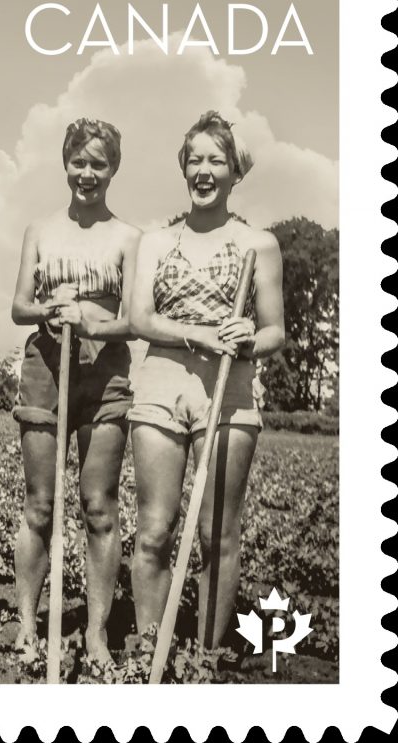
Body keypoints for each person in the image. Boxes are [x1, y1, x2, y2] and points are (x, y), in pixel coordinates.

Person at [127, 111, 285, 652]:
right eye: (194, 158)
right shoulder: (155, 240)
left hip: (230, 387)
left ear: (235, 171)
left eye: (216, 159)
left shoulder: (258, 244)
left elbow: (275, 332)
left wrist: (245, 337)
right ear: (183, 168)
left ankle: (208, 659)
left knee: (218, 534)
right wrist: (201, 335)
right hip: (160, 384)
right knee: (154, 530)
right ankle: (153, 654)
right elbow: (142, 319)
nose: (203, 169)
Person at [10, 118, 140, 666]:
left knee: (98, 506)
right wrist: (49, 311)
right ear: (65, 164)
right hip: (46, 365)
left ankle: (95, 631)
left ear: (113, 168)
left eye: (99, 163)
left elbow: (134, 320)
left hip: (104, 371)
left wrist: (90, 323)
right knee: (39, 504)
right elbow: (19, 307)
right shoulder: (40, 229)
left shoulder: (128, 237)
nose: (88, 173)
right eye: (79, 162)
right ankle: (25, 624)